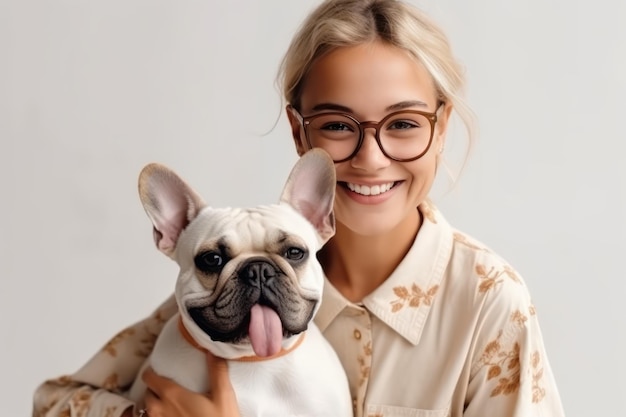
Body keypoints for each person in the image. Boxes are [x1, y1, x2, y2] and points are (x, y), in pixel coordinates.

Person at [32, 0, 566, 416]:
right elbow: (54, 402)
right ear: (298, 131)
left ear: (441, 127)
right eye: (337, 125)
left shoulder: (487, 303)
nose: (370, 157)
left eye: (403, 124)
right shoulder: (228, 283)